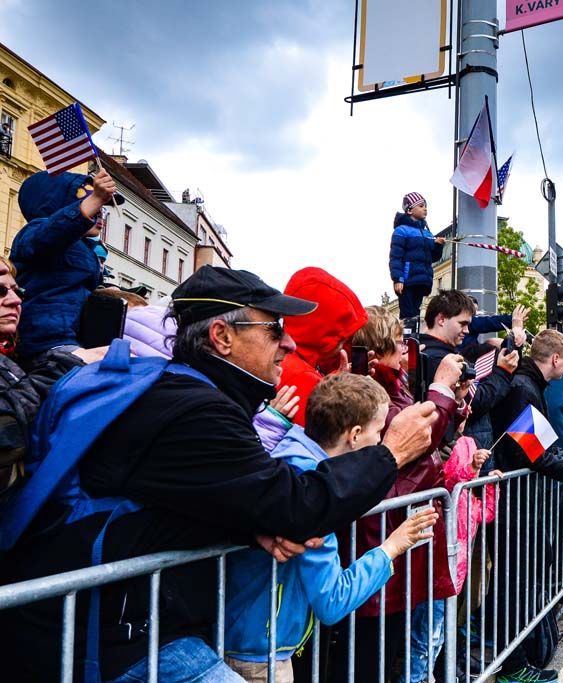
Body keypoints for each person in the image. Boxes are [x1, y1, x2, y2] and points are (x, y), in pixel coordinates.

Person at [0, 265, 439, 682]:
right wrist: (391, 453)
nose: (287, 345)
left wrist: (250, 526)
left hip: (112, 621)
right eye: (274, 330)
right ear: (222, 336)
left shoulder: (187, 390)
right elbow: (298, 504)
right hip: (108, 634)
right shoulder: (196, 410)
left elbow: (181, 496)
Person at [223, 373, 437, 683]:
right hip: (260, 657)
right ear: (355, 435)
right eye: (378, 432)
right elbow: (332, 601)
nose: (379, 441)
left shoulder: (289, 458)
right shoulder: (315, 499)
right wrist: (392, 547)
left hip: (245, 639)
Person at [340, 304, 466, 683]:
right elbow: (413, 439)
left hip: (396, 533)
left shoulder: (395, 386)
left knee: (387, 645)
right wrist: (441, 389)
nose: (406, 351)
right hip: (380, 534)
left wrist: (453, 408)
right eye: (398, 344)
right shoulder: (369, 390)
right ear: (377, 351)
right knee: (370, 655)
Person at [489, 329, 563, 683]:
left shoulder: (529, 386)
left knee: (514, 582)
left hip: (523, 500)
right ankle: (512, 666)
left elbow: (541, 445)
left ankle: (515, 658)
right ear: (556, 358)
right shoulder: (525, 389)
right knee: (514, 584)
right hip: (516, 503)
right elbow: (529, 451)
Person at [0, 255, 91, 504]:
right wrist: (70, 363)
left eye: (18, 291)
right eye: (0, 291)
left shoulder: (13, 355)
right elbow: (6, 429)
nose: (16, 300)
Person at [9, 169, 124, 357]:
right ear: (58, 206)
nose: (100, 213)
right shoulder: (33, 233)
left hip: (73, 341)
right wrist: (93, 200)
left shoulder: (86, 248)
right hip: (46, 344)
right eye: (91, 202)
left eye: (103, 206)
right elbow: (53, 233)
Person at [419, 289, 518, 451]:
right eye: (462, 324)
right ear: (441, 319)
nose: (467, 331)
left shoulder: (421, 351)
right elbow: (475, 402)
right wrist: (503, 372)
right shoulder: (444, 360)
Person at [279, 267, 368, 425]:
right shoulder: (305, 380)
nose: (341, 348)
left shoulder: (284, 361)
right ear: (321, 336)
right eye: (340, 340)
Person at [389, 192, 444, 327]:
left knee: (415, 313)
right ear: (409, 210)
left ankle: (414, 339)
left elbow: (434, 258)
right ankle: (407, 339)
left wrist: (438, 246)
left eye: (425, 206)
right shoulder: (401, 231)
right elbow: (396, 257)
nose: (425, 209)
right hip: (407, 280)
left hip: (422, 280)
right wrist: (398, 279)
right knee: (408, 313)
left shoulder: (427, 233)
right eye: (421, 206)